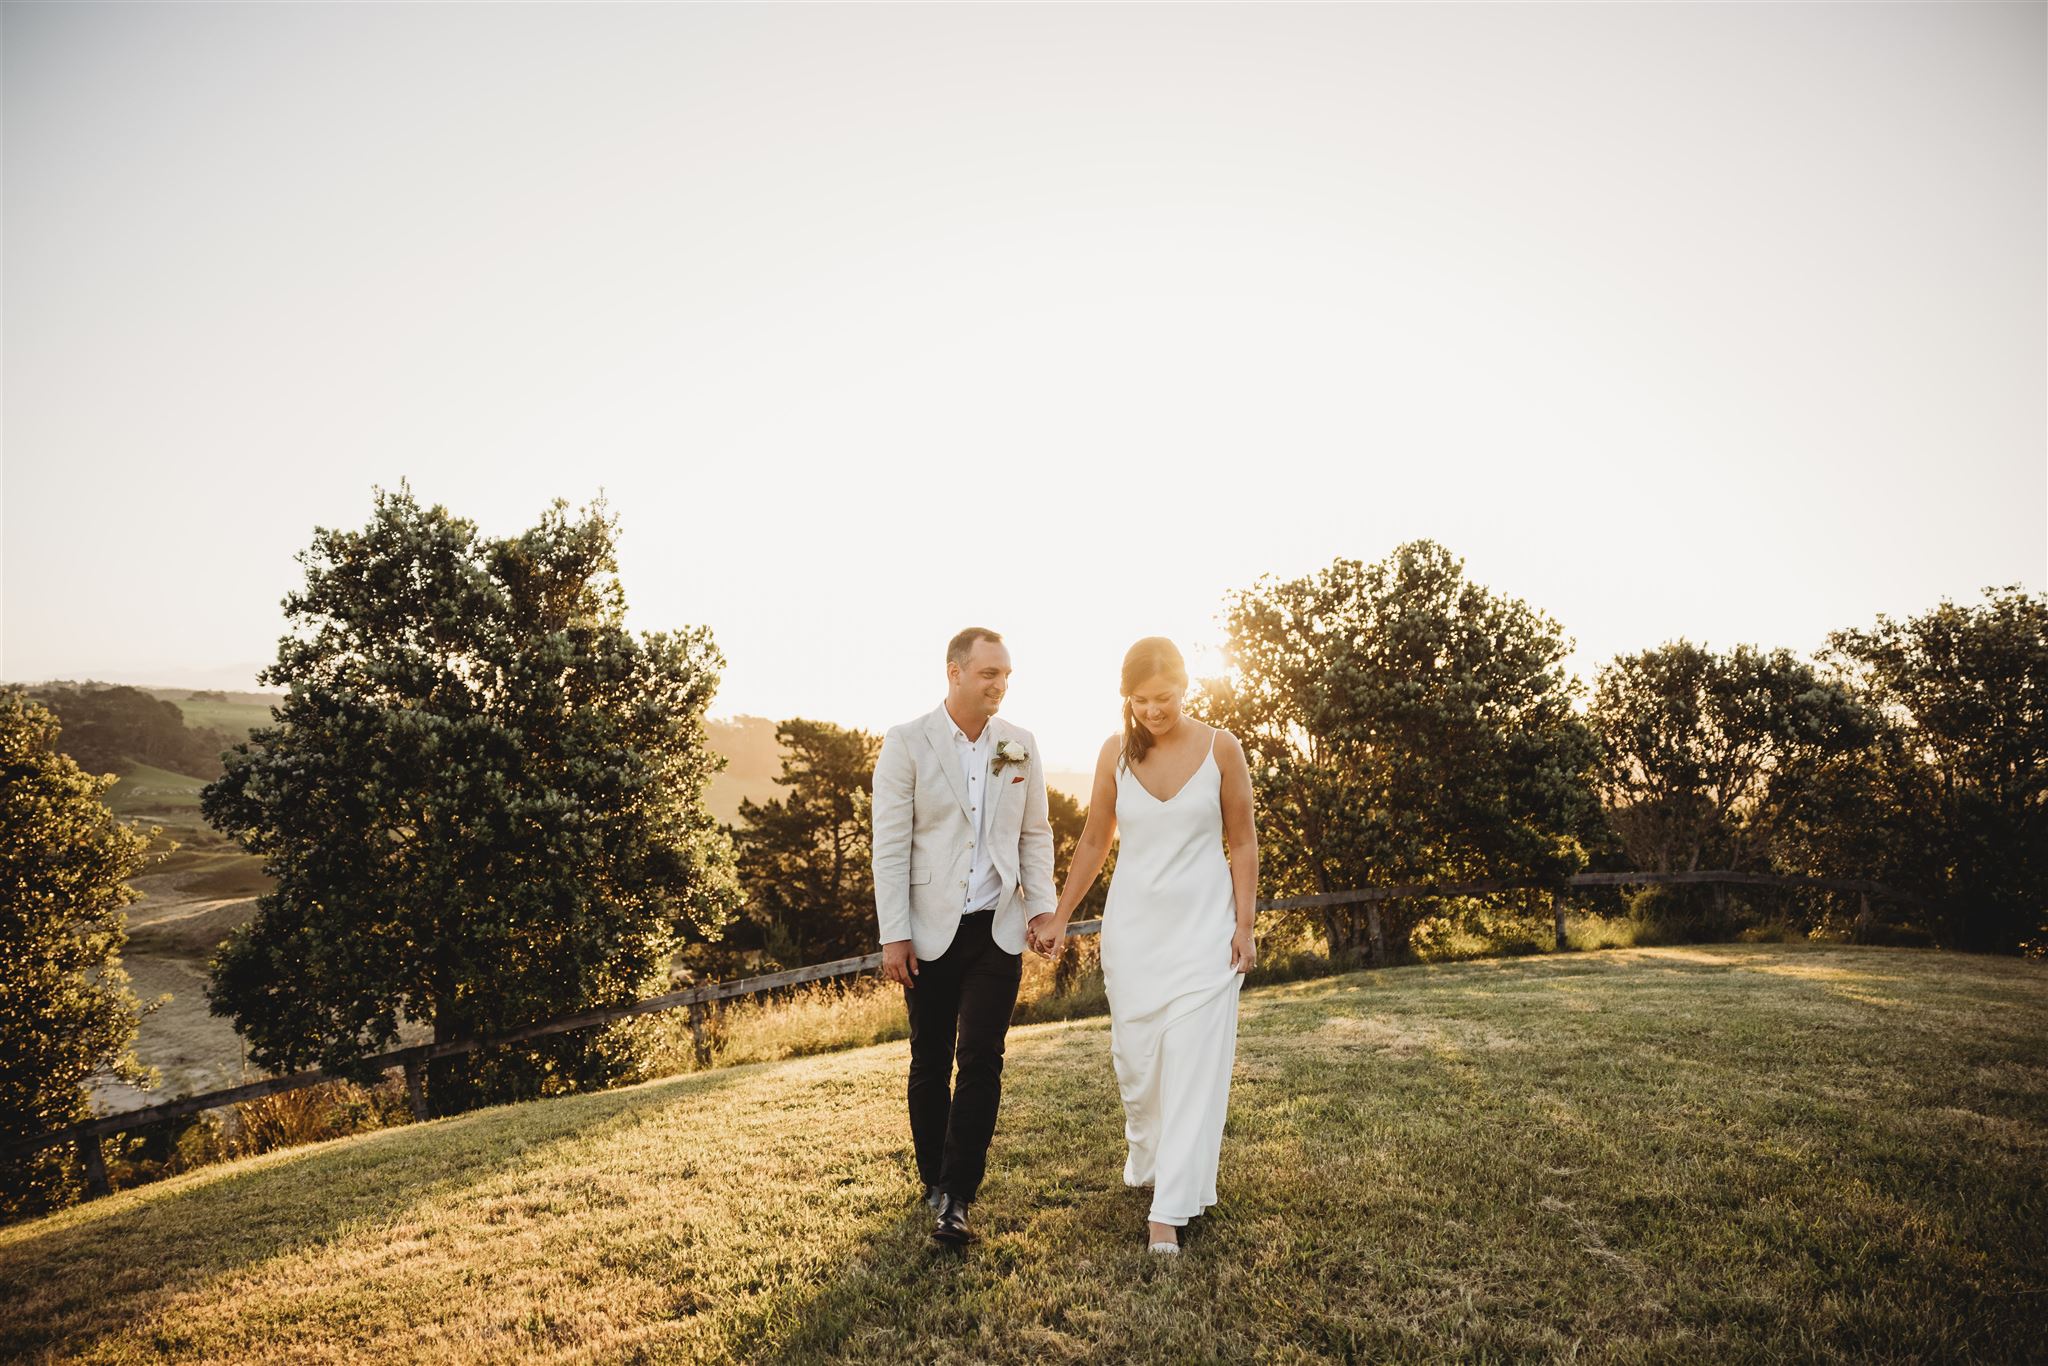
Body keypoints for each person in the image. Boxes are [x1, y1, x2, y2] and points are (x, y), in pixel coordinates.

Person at [1026, 636, 1258, 1255]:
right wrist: (1060, 915)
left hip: (1205, 936)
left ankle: (1169, 1211)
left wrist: (1244, 924)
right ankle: (1155, 1164)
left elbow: (1242, 842)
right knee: (1140, 1068)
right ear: (1126, 698)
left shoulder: (1221, 748)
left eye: (1166, 697)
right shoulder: (1114, 754)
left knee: (1190, 1065)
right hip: (1132, 937)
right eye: (1142, 700)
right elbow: (1094, 842)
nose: (1154, 710)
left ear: (1187, 686)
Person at [871, 626, 1056, 1248]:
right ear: (954, 673)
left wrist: (1041, 909)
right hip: (927, 930)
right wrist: (895, 935)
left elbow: (1035, 834)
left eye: (1005, 674)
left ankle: (957, 1194)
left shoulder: (1020, 745)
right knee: (929, 1061)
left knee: (981, 1058)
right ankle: (934, 1179)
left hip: (996, 928)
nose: (999, 684)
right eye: (988, 674)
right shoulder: (906, 743)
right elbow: (891, 846)